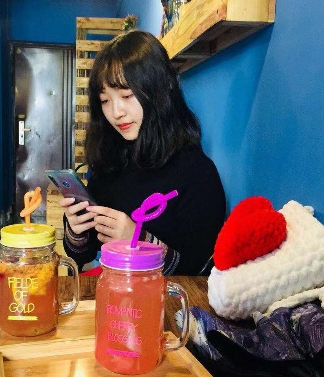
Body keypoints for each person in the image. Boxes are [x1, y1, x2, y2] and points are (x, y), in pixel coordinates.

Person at [60, 30, 225, 275]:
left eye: (127, 95)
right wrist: (77, 230)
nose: (116, 112)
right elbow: (82, 254)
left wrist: (138, 240)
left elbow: (200, 273)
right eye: (105, 100)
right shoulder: (110, 162)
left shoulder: (197, 173)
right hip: (115, 288)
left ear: (160, 90)